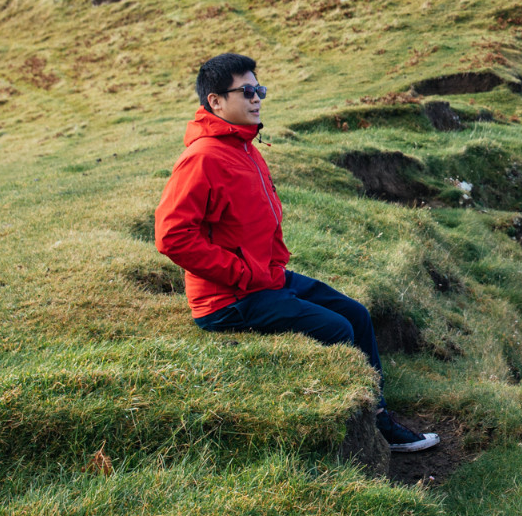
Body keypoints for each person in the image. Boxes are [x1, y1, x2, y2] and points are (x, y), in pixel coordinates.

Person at [155, 52, 437, 453]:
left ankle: (379, 417)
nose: (256, 99)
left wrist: (263, 270)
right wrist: (239, 273)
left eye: (260, 90)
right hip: (229, 299)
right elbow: (172, 236)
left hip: (265, 280)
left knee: (355, 314)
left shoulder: (245, 148)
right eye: (246, 91)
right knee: (336, 329)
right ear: (215, 101)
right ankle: (360, 436)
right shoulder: (202, 158)